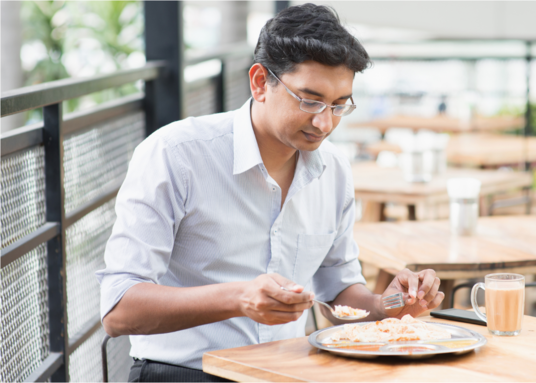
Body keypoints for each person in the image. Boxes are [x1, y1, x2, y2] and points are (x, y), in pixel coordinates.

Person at [96, 4, 444, 382]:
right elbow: (118, 309)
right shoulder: (175, 154)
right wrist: (239, 299)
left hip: (286, 371)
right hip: (183, 372)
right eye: (310, 100)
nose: (324, 122)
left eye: (339, 105)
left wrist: (388, 304)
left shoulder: (334, 170)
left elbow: (339, 289)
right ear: (260, 82)